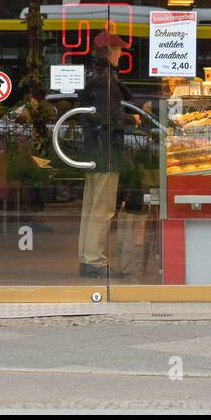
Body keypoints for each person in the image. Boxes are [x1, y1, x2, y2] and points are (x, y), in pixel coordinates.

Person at [76, 31, 137, 278]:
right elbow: (110, 118)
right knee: (103, 209)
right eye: (119, 50)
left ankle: (86, 257)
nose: (122, 54)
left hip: (93, 152)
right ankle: (95, 261)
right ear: (110, 51)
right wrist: (132, 118)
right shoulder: (106, 81)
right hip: (105, 152)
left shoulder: (94, 76)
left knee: (91, 208)